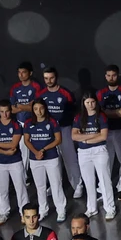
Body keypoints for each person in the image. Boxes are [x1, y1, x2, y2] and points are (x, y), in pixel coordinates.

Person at [36, 67, 79, 196]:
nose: (49, 81)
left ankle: (77, 185)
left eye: (51, 78)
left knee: (70, 158)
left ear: (56, 77)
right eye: (46, 78)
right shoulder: (41, 94)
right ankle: (55, 186)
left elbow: (73, 112)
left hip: (64, 130)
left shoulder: (66, 93)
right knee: (52, 160)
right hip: (49, 132)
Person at [72, 94, 116, 219]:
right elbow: (74, 136)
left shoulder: (101, 116)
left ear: (96, 102)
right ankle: (91, 208)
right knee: (88, 181)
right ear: (83, 103)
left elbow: (103, 136)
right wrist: (91, 137)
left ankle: (110, 208)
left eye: (92, 102)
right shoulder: (78, 117)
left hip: (99, 151)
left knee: (104, 180)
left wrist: (84, 138)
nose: (90, 105)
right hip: (83, 152)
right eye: (87, 102)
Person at [21, 102, 67, 222]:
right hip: (35, 159)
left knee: (56, 184)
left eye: (41, 108)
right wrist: (36, 152)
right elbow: (26, 140)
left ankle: (61, 210)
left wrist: (43, 150)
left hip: (51, 157)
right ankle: (43, 210)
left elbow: (58, 139)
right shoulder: (28, 123)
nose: (39, 111)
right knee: (40, 186)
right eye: (36, 109)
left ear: (45, 109)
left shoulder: (52, 122)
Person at [95, 66, 121, 199]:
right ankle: (103, 187)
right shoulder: (101, 92)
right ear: (105, 76)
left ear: (118, 75)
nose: (111, 78)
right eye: (109, 75)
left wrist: (105, 113)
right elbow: (97, 112)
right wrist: (113, 113)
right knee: (106, 160)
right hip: (106, 131)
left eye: (114, 75)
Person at [0, 101, 29, 220]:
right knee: (2, 189)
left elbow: (13, 144)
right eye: (2, 112)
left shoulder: (16, 126)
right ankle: (4, 212)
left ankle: (24, 213)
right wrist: (5, 150)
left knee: (21, 188)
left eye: (7, 111)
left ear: (11, 110)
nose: (5, 114)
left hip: (15, 161)